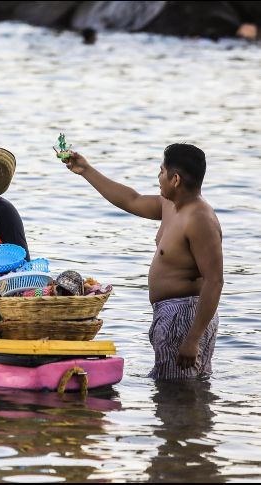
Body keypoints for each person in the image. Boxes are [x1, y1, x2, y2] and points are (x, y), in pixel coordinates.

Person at [63, 144, 223, 379]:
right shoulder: (171, 204)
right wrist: (86, 170)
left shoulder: (199, 218)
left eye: (161, 171)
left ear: (175, 179)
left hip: (187, 317)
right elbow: (131, 199)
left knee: (176, 393)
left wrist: (193, 339)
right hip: (170, 316)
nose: (158, 178)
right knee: (178, 395)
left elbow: (214, 280)